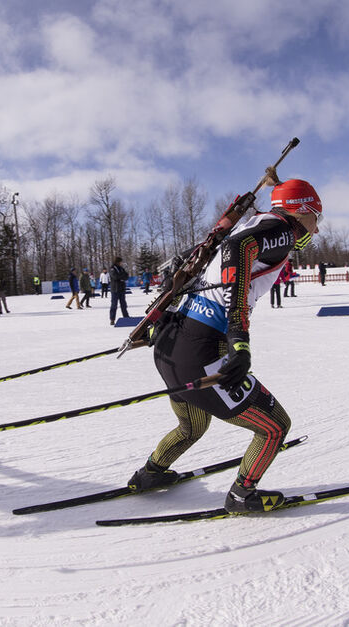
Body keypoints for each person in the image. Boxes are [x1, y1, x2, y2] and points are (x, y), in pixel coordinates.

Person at [131, 177, 321, 514]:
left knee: (193, 426)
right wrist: (239, 339)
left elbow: (225, 251)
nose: (316, 229)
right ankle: (242, 496)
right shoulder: (282, 229)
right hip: (201, 352)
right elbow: (240, 251)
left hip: (172, 344)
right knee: (275, 427)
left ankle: (150, 474)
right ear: (299, 211)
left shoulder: (258, 222)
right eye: (315, 218)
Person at [109, 257, 129, 325]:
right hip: (115, 289)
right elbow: (115, 277)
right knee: (114, 305)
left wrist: (122, 277)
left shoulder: (121, 268)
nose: (121, 263)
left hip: (122, 289)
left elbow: (126, 276)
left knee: (123, 304)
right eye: (120, 262)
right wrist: (121, 277)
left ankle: (126, 317)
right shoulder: (112, 268)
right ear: (117, 262)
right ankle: (112, 319)